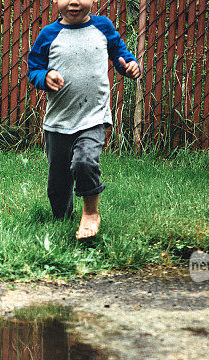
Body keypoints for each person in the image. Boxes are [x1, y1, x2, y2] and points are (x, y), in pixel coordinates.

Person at [27, 0, 141, 239]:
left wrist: (130, 65)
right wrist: (45, 76)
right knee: (58, 183)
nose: (74, 1)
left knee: (85, 162)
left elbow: (120, 54)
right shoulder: (49, 34)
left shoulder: (103, 27)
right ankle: (62, 218)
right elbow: (33, 68)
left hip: (93, 116)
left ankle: (90, 212)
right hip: (58, 120)